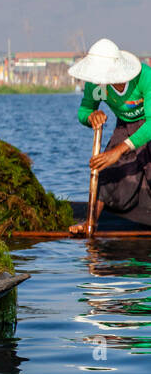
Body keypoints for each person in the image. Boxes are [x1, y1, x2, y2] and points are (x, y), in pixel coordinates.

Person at [67, 38, 151, 232]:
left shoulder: (144, 77)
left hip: (148, 124)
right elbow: (84, 111)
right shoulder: (96, 85)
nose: (98, 81)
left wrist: (120, 150)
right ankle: (90, 222)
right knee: (107, 171)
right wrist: (91, 117)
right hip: (125, 126)